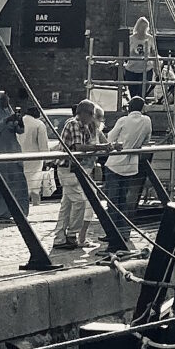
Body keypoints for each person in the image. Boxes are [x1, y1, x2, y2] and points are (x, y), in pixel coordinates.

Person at [101, 98, 151, 242]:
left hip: (115, 163)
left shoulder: (123, 120)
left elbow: (110, 137)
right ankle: (124, 232)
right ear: (142, 108)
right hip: (131, 165)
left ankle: (112, 233)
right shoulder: (147, 121)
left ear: (129, 107)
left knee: (113, 200)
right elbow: (147, 140)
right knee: (125, 200)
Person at [54, 101, 99, 247]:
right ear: (84, 113)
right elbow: (79, 147)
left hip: (72, 169)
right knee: (79, 201)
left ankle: (60, 239)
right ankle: (72, 234)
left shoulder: (83, 126)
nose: (92, 118)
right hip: (67, 168)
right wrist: (101, 147)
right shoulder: (74, 124)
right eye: (91, 114)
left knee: (66, 205)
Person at [0, 92, 29, 216]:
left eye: (7, 98)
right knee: (0, 183)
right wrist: (6, 120)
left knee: (17, 181)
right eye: (3, 99)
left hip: (12, 150)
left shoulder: (10, 112)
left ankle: (15, 211)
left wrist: (19, 121)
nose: (6, 101)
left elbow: (20, 131)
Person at [18, 98, 53, 201]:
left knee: (22, 185)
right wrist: (48, 160)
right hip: (35, 160)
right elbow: (43, 145)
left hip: (19, 157)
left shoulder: (20, 121)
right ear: (34, 111)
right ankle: (35, 207)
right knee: (35, 187)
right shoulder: (39, 124)